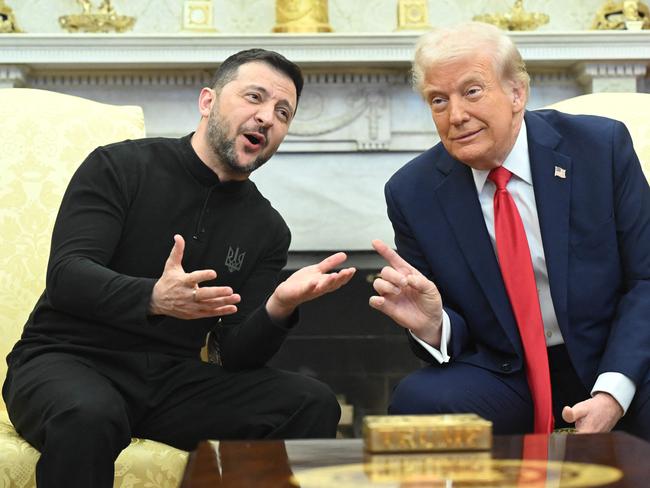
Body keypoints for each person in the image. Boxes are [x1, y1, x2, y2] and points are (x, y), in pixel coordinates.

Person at [2, 48, 356, 487]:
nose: (267, 117)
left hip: (170, 382)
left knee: (312, 402)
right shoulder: (119, 166)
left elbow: (238, 355)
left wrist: (278, 307)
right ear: (207, 102)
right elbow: (67, 276)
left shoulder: (267, 229)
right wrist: (153, 297)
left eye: (282, 112)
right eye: (254, 98)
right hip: (67, 360)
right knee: (90, 415)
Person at [369, 22, 650, 440]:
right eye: (438, 100)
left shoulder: (599, 148)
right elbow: (453, 326)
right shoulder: (413, 193)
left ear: (517, 93)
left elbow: (645, 279)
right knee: (420, 402)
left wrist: (613, 391)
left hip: (614, 354)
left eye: (472, 91)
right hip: (507, 372)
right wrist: (433, 326)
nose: (457, 115)